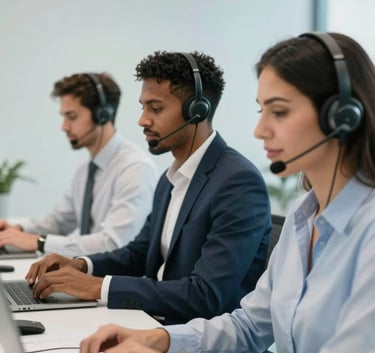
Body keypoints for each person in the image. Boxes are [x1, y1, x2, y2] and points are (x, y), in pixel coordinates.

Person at [78, 32, 375, 353]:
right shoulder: (303, 215)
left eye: (279, 111)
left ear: (342, 115)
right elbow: (250, 326)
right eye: (261, 111)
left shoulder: (368, 230)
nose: (259, 130)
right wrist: (161, 340)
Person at [25, 51, 271, 325]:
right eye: (143, 107)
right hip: (154, 323)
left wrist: (96, 287)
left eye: (155, 109)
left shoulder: (237, 182)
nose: (142, 120)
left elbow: (205, 294)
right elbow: (140, 252)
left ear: (197, 110)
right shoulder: (171, 178)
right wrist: (80, 265)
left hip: (197, 337)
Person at [0, 72, 158, 256]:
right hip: (86, 276)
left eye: (72, 116)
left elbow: (115, 243)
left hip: (114, 281)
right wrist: (16, 229)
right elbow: (60, 221)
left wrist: (39, 241)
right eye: (64, 117)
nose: (64, 126)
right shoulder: (85, 169)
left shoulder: (135, 168)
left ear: (102, 115)